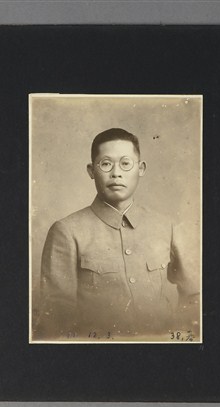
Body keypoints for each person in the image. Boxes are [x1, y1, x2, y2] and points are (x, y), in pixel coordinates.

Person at [34, 128, 199, 340]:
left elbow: (194, 295)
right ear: (91, 171)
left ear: (141, 168)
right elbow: (56, 318)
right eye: (106, 164)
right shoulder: (66, 231)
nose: (116, 173)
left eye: (125, 163)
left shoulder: (167, 226)